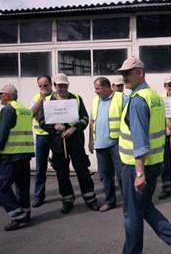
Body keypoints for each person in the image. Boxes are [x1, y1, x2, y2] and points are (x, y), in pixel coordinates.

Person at [108, 57, 171, 254]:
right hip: (154, 163)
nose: (124, 76)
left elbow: (140, 141)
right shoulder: (153, 96)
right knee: (145, 208)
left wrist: (138, 172)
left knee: (132, 214)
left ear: (140, 73)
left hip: (137, 166)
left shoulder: (136, 100)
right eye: (123, 72)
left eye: (129, 72)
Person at [38, 73, 99, 213]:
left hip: (75, 141)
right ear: (54, 86)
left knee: (82, 170)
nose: (62, 88)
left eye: (65, 85)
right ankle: (67, 200)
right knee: (62, 174)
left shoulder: (76, 98)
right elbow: (41, 121)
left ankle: (90, 199)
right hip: (58, 143)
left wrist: (74, 128)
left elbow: (84, 118)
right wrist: (54, 127)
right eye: (59, 85)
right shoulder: (47, 101)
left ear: (68, 85)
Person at [0, 84, 34, 231]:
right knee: (22, 186)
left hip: (10, 155)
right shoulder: (25, 110)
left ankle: (18, 215)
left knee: (2, 187)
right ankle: (25, 212)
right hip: (24, 154)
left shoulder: (8, 109)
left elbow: (2, 133)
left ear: (7, 96)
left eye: (1, 95)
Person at [89, 77, 126, 212]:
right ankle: (110, 201)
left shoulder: (121, 98)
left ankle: (128, 201)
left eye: (98, 88)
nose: (96, 91)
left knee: (122, 175)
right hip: (100, 144)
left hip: (117, 143)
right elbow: (92, 121)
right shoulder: (95, 100)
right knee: (105, 176)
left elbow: (129, 119)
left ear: (107, 87)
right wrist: (90, 140)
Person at [30, 75, 53, 208]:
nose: (43, 88)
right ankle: (39, 196)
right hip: (41, 136)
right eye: (40, 86)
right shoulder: (36, 98)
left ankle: (66, 194)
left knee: (60, 165)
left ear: (50, 85)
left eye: (45, 85)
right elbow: (31, 113)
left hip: (55, 136)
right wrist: (42, 99)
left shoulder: (56, 96)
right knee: (40, 168)